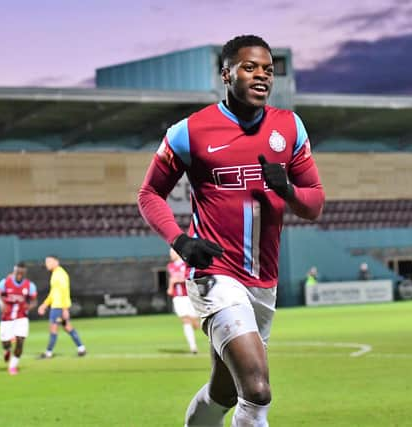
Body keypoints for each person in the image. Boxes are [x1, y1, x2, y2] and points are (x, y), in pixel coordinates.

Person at [138, 35, 324, 427]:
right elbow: (150, 193)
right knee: (256, 391)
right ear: (226, 73)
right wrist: (180, 240)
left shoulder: (289, 128)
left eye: (268, 70)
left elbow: (314, 204)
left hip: (263, 282)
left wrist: (287, 189)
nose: (261, 76)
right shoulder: (189, 132)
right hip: (214, 276)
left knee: (223, 392)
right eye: (250, 67)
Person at [37, 255, 86, 357]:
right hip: (57, 305)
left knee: (53, 328)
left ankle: (48, 353)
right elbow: (53, 293)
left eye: (49, 261)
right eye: (46, 262)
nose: (47, 264)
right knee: (67, 327)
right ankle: (81, 348)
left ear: (56, 262)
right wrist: (44, 305)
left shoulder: (60, 274)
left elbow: (65, 292)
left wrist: (65, 309)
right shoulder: (55, 274)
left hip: (58, 306)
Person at [0, 262, 37, 375]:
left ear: (24, 273)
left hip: (21, 317)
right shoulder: (5, 283)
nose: (19, 274)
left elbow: (34, 301)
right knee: (5, 342)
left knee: (20, 341)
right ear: (14, 271)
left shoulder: (30, 286)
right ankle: (7, 350)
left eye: (21, 272)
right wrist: (1, 304)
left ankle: (13, 366)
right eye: (17, 272)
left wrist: (30, 306)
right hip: (7, 318)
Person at [167, 248, 200, 354]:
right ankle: (193, 347)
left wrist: (176, 280)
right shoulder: (170, 266)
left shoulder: (186, 264)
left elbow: (188, 277)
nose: (171, 255)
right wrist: (171, 286)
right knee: (185, 320)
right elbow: (173, 278)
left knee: (195, 324)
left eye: (172, 252)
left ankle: (195, 323)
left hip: (189, 296)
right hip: (178, 297)